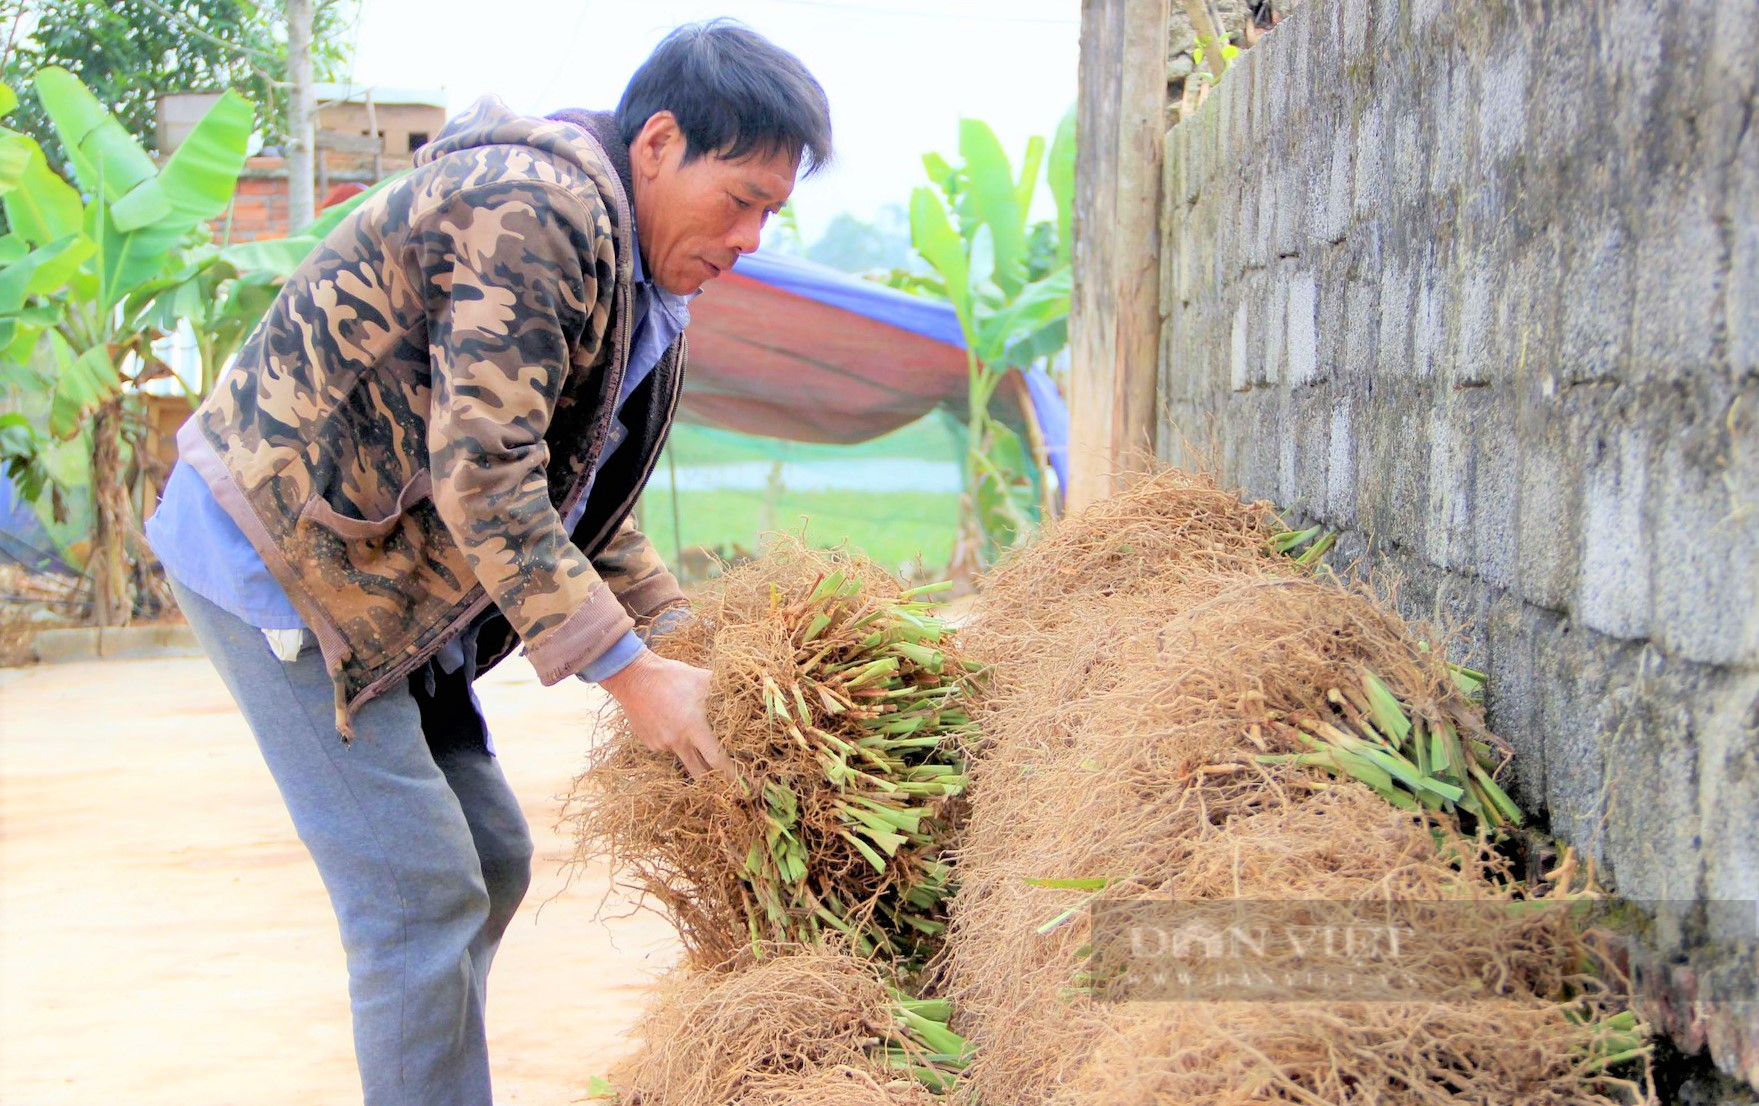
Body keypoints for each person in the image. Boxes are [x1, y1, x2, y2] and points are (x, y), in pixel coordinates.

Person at [144, 20, 831, 1105]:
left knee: (490, 857)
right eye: (739, 197)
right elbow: (486, 477)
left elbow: (583, 506)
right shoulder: (539, 212)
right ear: (658, 143)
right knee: (418, 896)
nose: (750, 236)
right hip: (287, 558)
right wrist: (633, 674)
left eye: (771, 213)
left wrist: (693, 638)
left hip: (394, 577)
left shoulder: (645, 280)